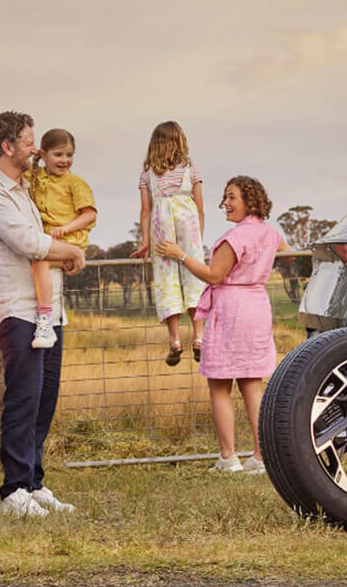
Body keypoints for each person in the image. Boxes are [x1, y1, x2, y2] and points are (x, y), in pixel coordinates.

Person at [0, 111, 87, 518]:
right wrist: (71, 252)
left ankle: (34, 482)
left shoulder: (22, 190)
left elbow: (42, 243)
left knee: (44, 399)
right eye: (27, 141)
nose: (34, 148)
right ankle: (13, 491)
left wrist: (63, 256)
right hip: (17, 311)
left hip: (49, 310)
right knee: (23, 398)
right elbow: (27, 242)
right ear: (7, 147)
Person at [157, 176, 289, 474]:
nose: (225, 204)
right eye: (225, 197)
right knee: (252, 383)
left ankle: (228, 457)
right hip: (257, 306)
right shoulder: (270, 234)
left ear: (250, 201)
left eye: (232, 198)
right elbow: (287, 252)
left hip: (231, 310)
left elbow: (214, 276)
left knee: (219, 384)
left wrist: (181, 255)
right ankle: (260, 456)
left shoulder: (236, 238)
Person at [131, 121, 207, 366]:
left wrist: (145, 241)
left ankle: (174, 340)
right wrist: (198, 238)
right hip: (189, 223)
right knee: (194, 277)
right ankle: (198, 337)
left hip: (161, 225)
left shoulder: (148, 175)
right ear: (180, 143)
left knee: (167, 282)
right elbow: (200, 208)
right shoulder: (191, 171)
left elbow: (145, 210)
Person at [26, 128, 97, 350]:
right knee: (37, 262)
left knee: (40, 262)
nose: (65, 160)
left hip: (70, 242)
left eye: (69, 155)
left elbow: (90, 214)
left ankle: (45, 323)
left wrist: (65, 228)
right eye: (58, 154)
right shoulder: (36, 177)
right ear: (44, 154)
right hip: (50, 242)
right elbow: (9, 174)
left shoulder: (75, 183)